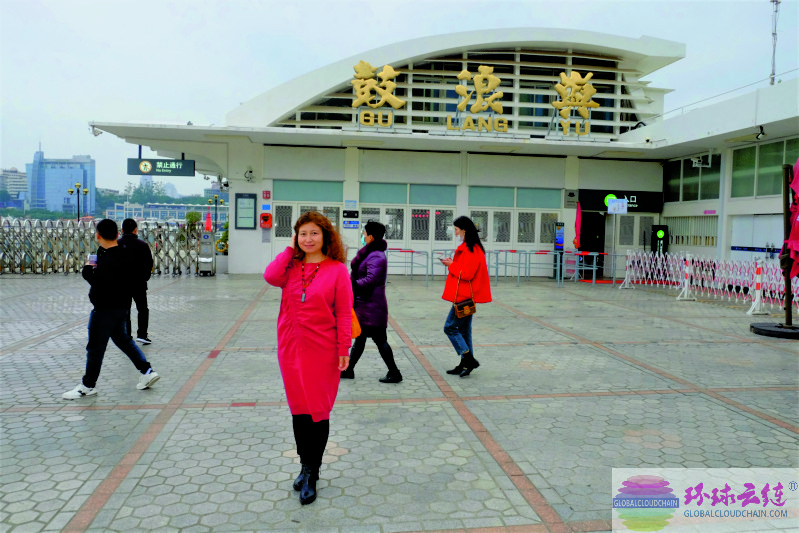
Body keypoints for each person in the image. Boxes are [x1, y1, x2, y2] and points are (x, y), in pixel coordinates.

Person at [264, 211, 352, 505]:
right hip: (290, 347)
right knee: (299, 410)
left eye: (314, 233)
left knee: (318, 411)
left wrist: (344, 348)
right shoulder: (290, 266)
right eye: (303, 234)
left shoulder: (337, 270)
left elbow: (344, 312)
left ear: (325, 236)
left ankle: (313, 472)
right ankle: (304, 465)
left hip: (323, 350)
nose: (308, 239)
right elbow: (270, 276)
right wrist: (290, 250)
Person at [63, 219, 160, 400]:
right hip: (121, 307)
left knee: (95, 348)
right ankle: (147, 371)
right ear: (117, 233)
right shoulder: (125, 254)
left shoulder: (106, 259)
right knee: (123, 340)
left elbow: (99, 283)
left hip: (104, 310)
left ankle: (87, 386)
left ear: (98, 236)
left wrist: (87, 270)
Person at [342, 221, 402, 383]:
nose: (363, 236)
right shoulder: (370, 253)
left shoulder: (376, 256)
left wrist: (350, 284)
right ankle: (348, 370)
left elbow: (371, 280)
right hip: (365, 304)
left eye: (364, 233)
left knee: (380, 340)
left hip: (373, 306)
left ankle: (394, 372)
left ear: (371, 236)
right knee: (360, 338)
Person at [440, 216, 492, 377]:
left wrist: (451, 265)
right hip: (465, 295)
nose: (455, 233)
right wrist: (452, 263)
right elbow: (464, 268)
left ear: (464, 230)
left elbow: (467, 274)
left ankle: (469, 359)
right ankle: (465, 363)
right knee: (463, 331)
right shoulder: (470, 247)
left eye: (456, 229)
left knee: (450, 327)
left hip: (464, 296)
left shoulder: (471, 249)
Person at [119, 219, 154, 344]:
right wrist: (144, 278)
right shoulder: (143, 245)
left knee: (125, 310)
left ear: (122, 230)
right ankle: (142, 335)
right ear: (135, 230)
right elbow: (149, 263)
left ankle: (126, 335)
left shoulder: (117, 245)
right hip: (139, 283)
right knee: (143, 309)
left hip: (122, 284)